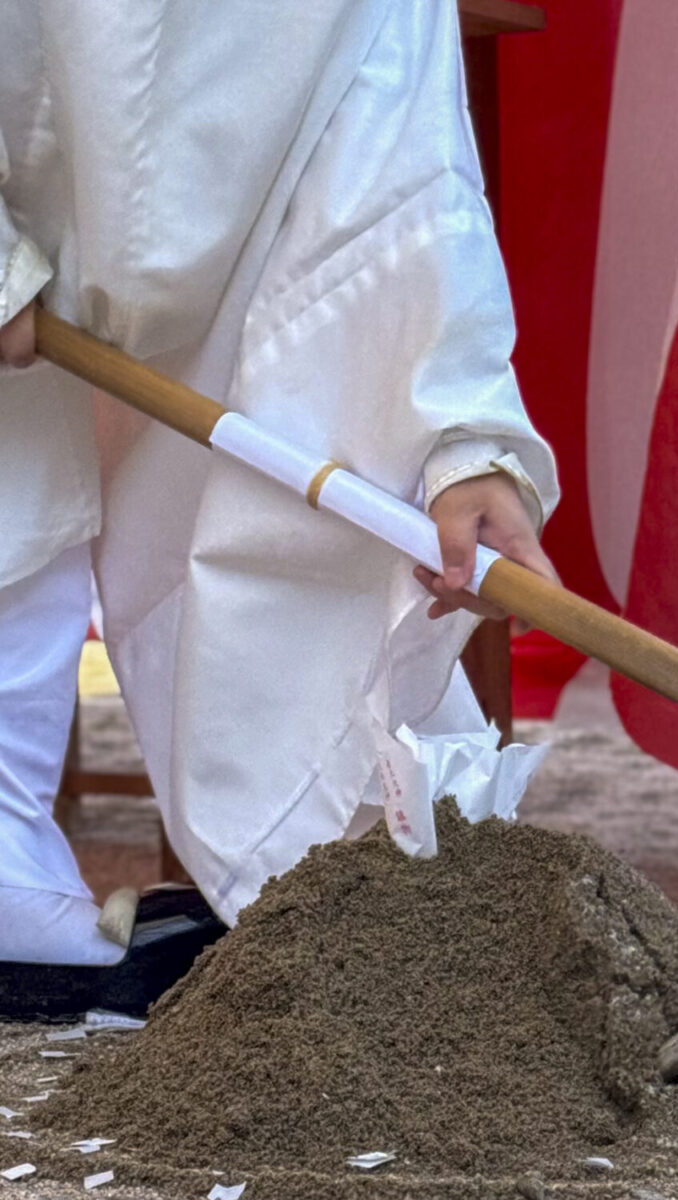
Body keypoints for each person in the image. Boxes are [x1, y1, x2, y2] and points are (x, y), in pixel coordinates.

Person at [0, 1, 559, 972]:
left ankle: (341, 877)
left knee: (323, 447)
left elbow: (405, 158)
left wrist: (460, 438)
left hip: (231, 230)